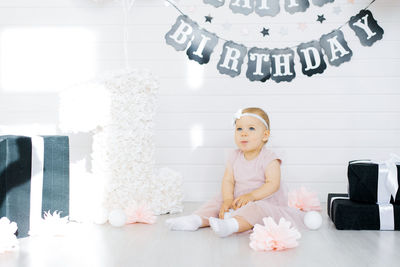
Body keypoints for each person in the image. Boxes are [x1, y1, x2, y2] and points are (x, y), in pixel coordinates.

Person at [165, 107, 305, 237]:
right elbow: (228, 180)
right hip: (238, 199)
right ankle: (196, 219)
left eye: (251, 128)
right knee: (216, 201)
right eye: (239, 129)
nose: (244, 133)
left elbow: (273, 184)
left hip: (263, 200)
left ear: (265, 135)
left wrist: (251, 196)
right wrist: (227, 200)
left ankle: (232, 225)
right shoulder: (234, 156)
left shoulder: (270, 158)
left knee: (257, 209)